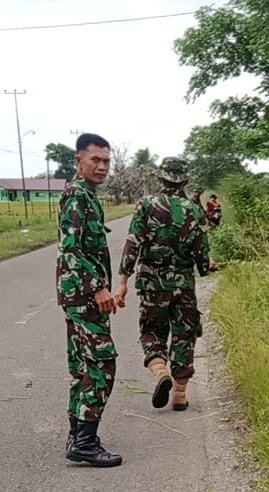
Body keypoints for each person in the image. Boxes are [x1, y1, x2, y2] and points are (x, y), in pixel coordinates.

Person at [115, 157, 214, 412]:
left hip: (152, 283)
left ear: (161, 178)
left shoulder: (146, 205)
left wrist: (124, 281)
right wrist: (205, 267)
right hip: (183, 284)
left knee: (152, 330)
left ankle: (160, 372)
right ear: (184, 181)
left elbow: (132, 243)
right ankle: (180, 395)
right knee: (184, 335)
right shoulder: (193, 209)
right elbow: (201, 249)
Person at [57, 132, 123, 467]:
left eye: (106, 161)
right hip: (84, 296)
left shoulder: (88, 195)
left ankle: (78, 435)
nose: (101, 166)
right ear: (78, 160)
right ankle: (85, 440)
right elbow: (71, 250)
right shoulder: (77, 196)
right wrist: (98, 286)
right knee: (101, 364)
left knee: (82, 366)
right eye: (95, 160)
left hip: (79, 295)